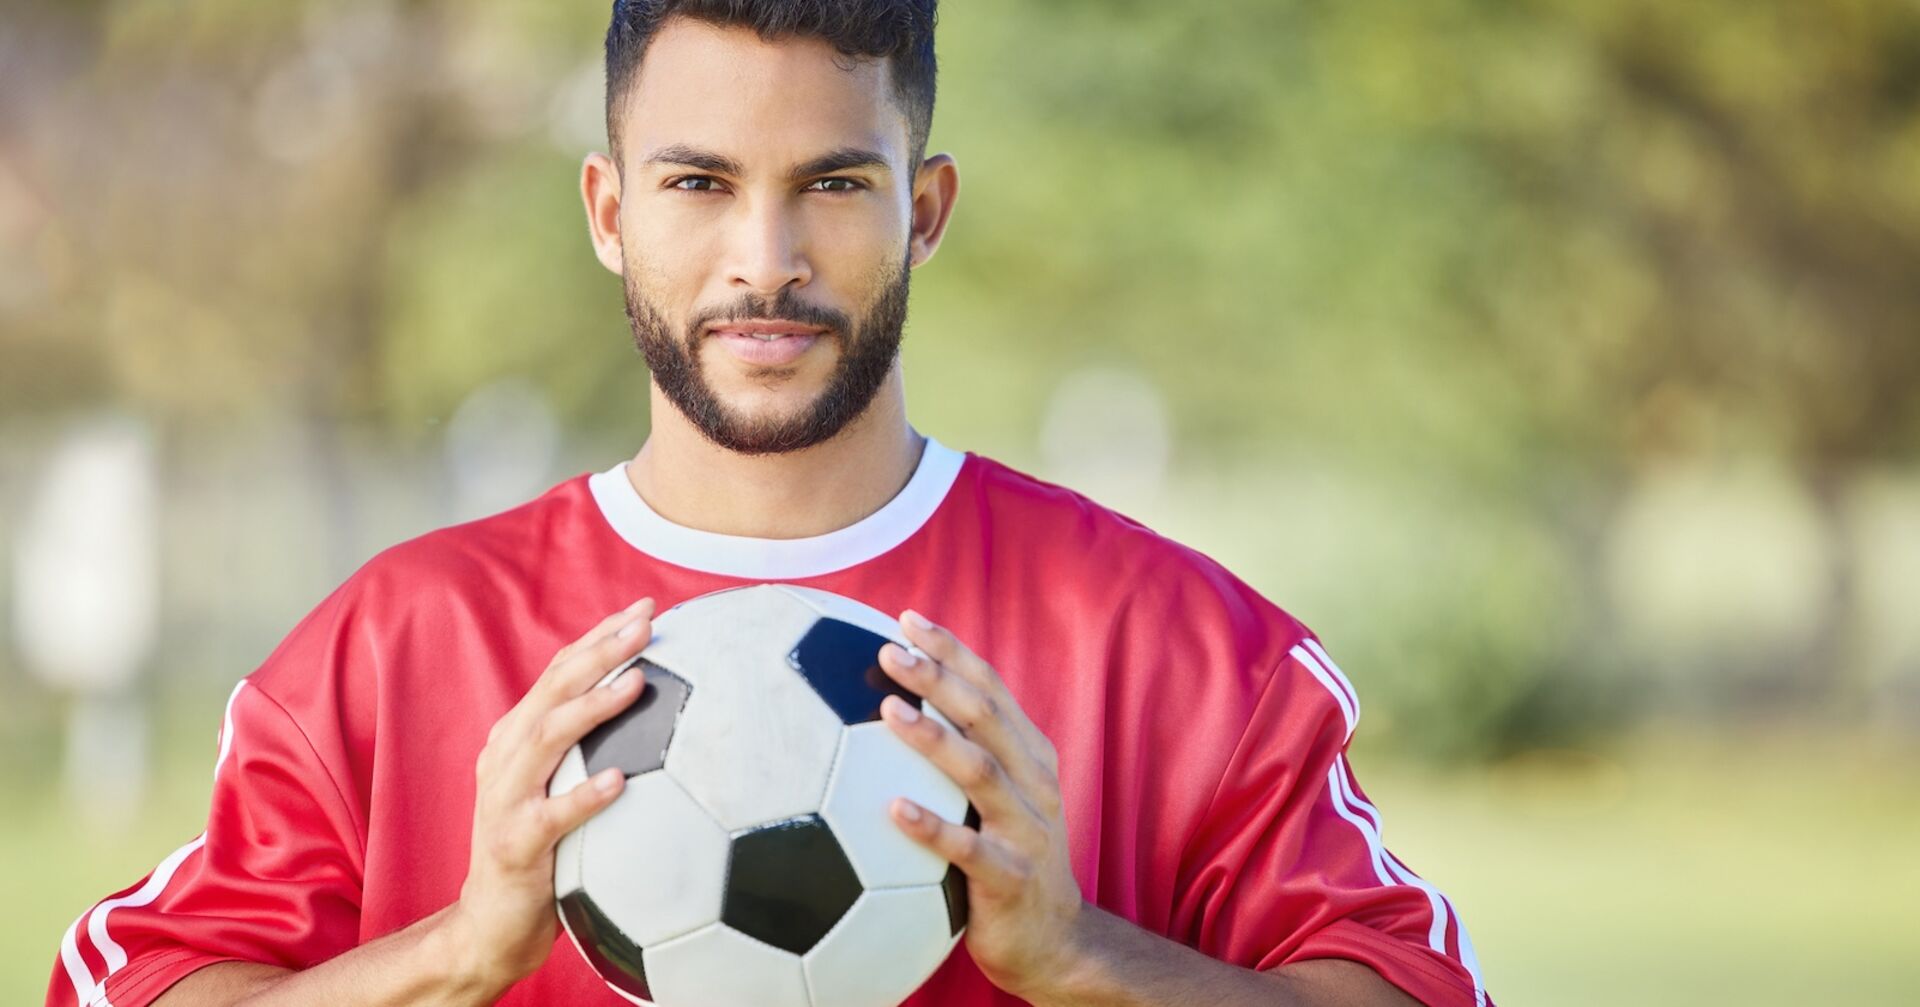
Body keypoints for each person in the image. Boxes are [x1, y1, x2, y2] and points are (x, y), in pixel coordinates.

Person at [47, 3, 1490, 1005]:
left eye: (833, 184)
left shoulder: (1177, 648)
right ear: (611, 212)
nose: (765, 256)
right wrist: (454, 957)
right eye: (699, 182)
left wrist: (1086, 960)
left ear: (923, 211)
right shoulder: (398, 645)